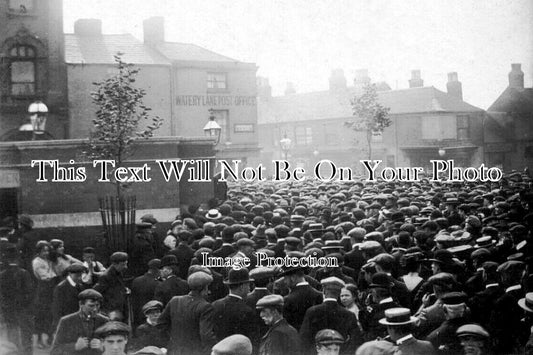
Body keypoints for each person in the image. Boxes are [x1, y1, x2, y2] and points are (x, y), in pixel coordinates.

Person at [157, 271, 217, 355]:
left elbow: (161, 323)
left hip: (174, 350)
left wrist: (172, 339)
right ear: (204, 288)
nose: (209, 292)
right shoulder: (205, 306)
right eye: (208, 288)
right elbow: (206, 335)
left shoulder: (175, 300)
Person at [299, 276, 361, 354]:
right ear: (339, 293)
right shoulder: (349, 315)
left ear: (324, 291)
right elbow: (355, 340)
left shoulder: (312, 311)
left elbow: (304, 339)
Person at [51, 289, 109, 355]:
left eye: (97, 305)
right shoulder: (66, 321)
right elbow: (55, 351)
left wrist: (103, 347)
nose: (95, 309)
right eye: (91, 306)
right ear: (81, 304)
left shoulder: (105, 321)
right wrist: (74, 347)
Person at [212, 268, 259, 347]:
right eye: (248, 285)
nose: (249, 288)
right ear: (242, 287)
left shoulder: (215, 305)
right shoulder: (247, 311)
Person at [0, 244, 34, 355]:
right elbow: (30, 292)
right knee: (26, 335)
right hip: (23, 308)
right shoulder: (24, 273)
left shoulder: (2, 275)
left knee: (12, 334)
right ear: (17, 258)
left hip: (9, 309)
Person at [32, 240, 58, 349]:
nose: (46, 253)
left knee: (50, 314)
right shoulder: (37, 262)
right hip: (43, 289)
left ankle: (49, 337)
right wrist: (55, 276)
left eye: (47, 251)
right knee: (41, 315)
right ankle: (38, 340)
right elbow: (46, 277)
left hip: (50, 289)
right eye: (43, 251)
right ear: (38, 252)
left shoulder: (47, 260)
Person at [94, 251, 130, 318]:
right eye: (123, 264)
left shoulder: (119, 272)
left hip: (120, 308)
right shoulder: (105, 277)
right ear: (115, 264)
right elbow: (96, 293)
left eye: (126, 264)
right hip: (111, 311)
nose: (126, 267)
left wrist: (124, 290)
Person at [52, 263, 88, 328]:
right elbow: (57, 309)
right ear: (70, 274)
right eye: (77, 276)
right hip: (66, 322)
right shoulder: (61, 287)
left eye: (81, 276)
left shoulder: (80, 286)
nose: (80, 278)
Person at [131, 258, 161, 328]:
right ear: (157, 270)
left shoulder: (136, 280)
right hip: (151, 316)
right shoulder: (158, 284)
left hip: (137, 314)